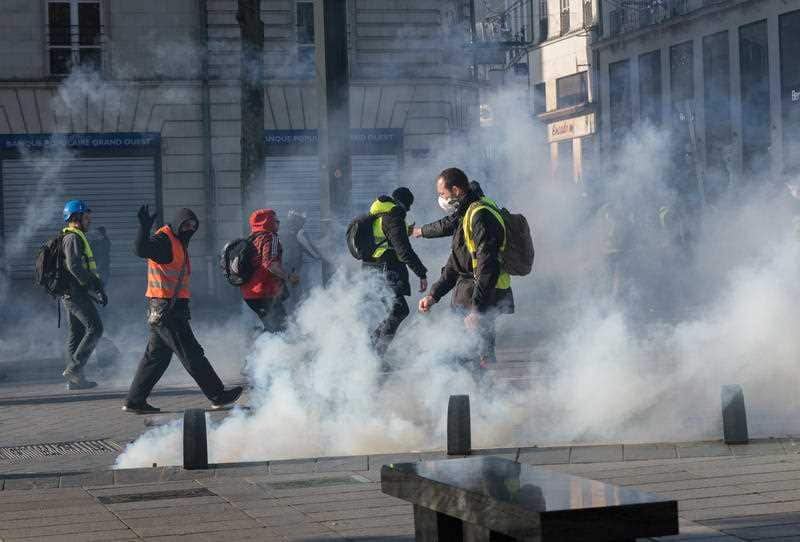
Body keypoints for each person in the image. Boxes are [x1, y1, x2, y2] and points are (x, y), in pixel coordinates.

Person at [122, 205, 243, 414]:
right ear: (178, 223)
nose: (189, 229)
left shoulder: (178, 242)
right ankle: (217, 395)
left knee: (156, 358)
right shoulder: (164, 240)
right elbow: (140, 250)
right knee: (192, 353)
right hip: (166, 310)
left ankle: (135, 400)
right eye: (186, 225)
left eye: (193, 226)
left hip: (164, 308)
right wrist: (143, 228)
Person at [418, 168, 514, 369]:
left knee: (464, 359)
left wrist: (477, 310)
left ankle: (478, 395)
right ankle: (476, 391)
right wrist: (433, 295)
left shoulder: (479, 215)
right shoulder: (466, 214)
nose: (441, 199)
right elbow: (456, 263)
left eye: (442, 194)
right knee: (466, 359)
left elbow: (488, 265)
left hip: (478, 296)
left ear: (456, 190)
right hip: (469, 295)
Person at [364, 187, 427, 361]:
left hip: (374, 268)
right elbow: (403, 250)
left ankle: (370, 349)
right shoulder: (394, 216)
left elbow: (387, 237)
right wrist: (421, 272)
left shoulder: (380, 213)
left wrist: (405, 231)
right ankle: (375, 355)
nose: (408, 210)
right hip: (386, 269)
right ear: (404, 203)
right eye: (409, 206)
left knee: (389, 311)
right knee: (399, 310)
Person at [61, 199, 106, 390]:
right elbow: (74, 266)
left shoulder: (76, 236)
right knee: (95, 328)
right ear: (75, 217)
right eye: (86, 217)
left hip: (74, 292)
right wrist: (92, 284)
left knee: (77, 334)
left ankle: (75, 381)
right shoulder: (72, 238)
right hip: (75, 293)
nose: (90, 221)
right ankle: (74, 368)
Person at [241, 208, 288, 334]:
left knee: (273, 326)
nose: (278, 223)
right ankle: (261, 346)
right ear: (268, 223)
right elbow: (270, 264)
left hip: (249, 294)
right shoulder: (271, 237)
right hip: (265, 292)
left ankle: (257, 342)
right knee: (281, 328)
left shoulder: (252, 238)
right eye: (276, 221)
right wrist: (288, 277)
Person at [282, 210, 324, 305]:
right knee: (296, 296)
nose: (303, 223)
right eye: (302, 220)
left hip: (278, 272)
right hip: (293, 272)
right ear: (297, 221)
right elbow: (314, 253)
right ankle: (295, 317)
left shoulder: (279, 232)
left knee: (283, 298)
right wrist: (323, 257)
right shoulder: (300, 233)